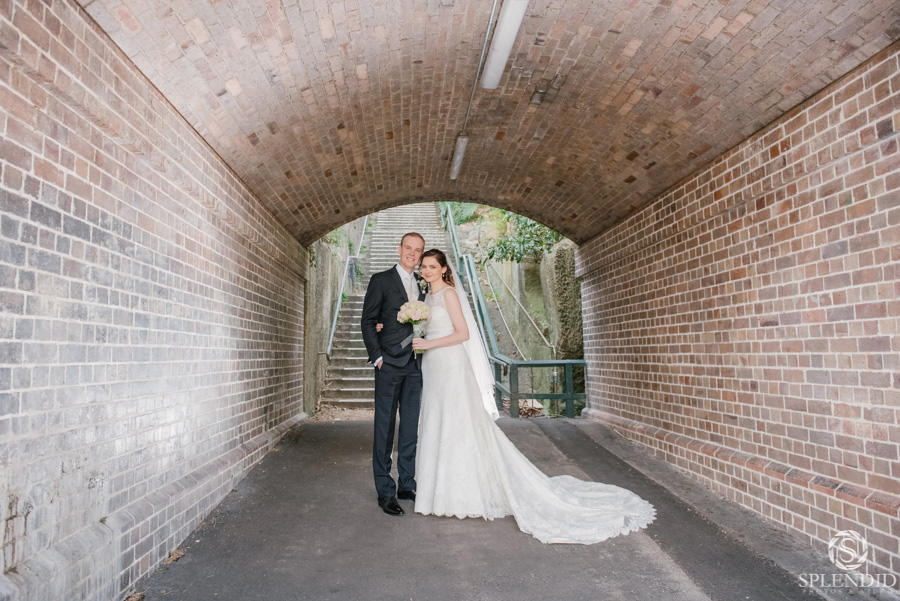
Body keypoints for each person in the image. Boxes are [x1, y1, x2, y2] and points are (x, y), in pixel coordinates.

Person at [410, 248, 656, 543]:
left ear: (444, 269)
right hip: (433, 367)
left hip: (450, 364)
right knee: (438, 421)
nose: (427, 270)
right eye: (424, 266)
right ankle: (439, 493)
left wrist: (429, 344)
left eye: (432, 266)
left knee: (458, 424)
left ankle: (462, 496)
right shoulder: (427, 297)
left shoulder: (449, 295)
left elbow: (463, 334)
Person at [360, 232, 426, 516]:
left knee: (410, 427)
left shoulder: (423, 284)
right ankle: (385, 491)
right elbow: (368, 321)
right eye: (408, 248)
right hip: (388, 364)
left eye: (418, 250)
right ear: (399, 249)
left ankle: (407, 484)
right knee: (384, 428)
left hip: (416, 365)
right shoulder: (381, 280)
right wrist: (377, 357)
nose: (412, 253)